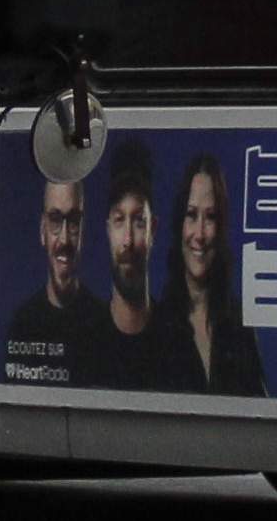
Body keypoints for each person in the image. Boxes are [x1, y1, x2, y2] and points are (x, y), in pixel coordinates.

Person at [86, 138, 200, 392]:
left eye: (139, 221)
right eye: (119, 220)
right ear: (108, 229)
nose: (128, 240)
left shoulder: (178, 344)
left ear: (152, 230)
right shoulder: (86, 344)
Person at [174, 146, 265, 397]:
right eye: (191, 215)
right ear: (179, 223)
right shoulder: (158, 323)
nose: (200, 234)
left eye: (211, 217)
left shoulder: (240, 325)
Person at [0, 160, 95, 384]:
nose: (64, 239)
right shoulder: (23, 325)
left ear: (83, 230)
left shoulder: (103, 323)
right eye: (55, 220)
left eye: (73, 222)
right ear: (42, 231)